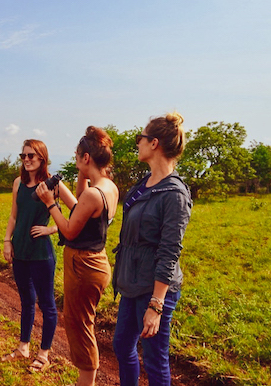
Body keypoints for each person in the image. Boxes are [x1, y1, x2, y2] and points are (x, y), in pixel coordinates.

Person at [111, 112, 192, 386]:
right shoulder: (142, 186)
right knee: (122, 345)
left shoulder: (174, 194)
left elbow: (170, 251)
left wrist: (156, 305)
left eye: (140, 138)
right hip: (133, 284)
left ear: (154, 143)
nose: (138, 144)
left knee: (155, 362)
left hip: (155, 289)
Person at [36, 126, 119, 386]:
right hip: (96, 261)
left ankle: (87, 382)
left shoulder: (95, 194)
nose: (75, 160)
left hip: (84, 265)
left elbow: (70, 230)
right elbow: (80, 203)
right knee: (83, 321)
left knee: (80, 325)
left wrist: (50, 202)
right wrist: (81, 175)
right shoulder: (108, 188)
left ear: (86, 158)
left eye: (78, 157)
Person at [1, 139, 59, 373]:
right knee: (26, 301)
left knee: (47, 304)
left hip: (41, 254)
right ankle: (23, 347)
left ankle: (44, 354)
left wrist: (49, 229)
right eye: (23, 156)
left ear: (42, 158)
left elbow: (68, 218)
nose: (26, 160)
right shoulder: (18, 183)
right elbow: (14, 216)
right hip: (21, 251)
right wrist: (7, 241)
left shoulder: (51, 184)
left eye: (31, 156)